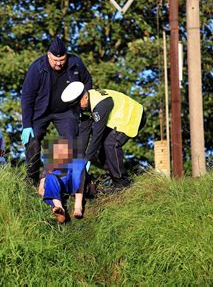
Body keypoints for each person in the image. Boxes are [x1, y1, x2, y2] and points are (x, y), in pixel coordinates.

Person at [21, 37, 92, 185]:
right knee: (33, 143)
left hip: (66, 111)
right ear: (48, 55)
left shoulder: (75, 63)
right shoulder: (37, 68)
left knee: (71, 142)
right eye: (55, 60)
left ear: (66, 55)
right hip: (41, 112)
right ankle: (31, 179)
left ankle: (67, 181)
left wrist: (84, 98)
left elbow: (87, 81)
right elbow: (27, 96)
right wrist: (27, 124)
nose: (59, 63)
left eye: (62, 59)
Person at [62, 82, 147, 188]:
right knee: (101, 151)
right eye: (73, 106)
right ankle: (115, 178)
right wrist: (79, 158)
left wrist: (87, 160)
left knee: (111, 143)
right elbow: (84, 132)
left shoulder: (100, 105)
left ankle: (123, 183)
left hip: (134, 115)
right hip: (120, 119)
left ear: (85, 96)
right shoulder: (85, 105)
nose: (77, 108)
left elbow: (97, 136)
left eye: (77, 104)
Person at [37, 137, 87, 224]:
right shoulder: (49, 166)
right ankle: (59, 208)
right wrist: (48, 190)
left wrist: (78, 207)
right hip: (58, 187)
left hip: (73, 185)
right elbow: (41, 190)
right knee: (50, 177)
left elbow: (80, 182)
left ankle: (78, 206)